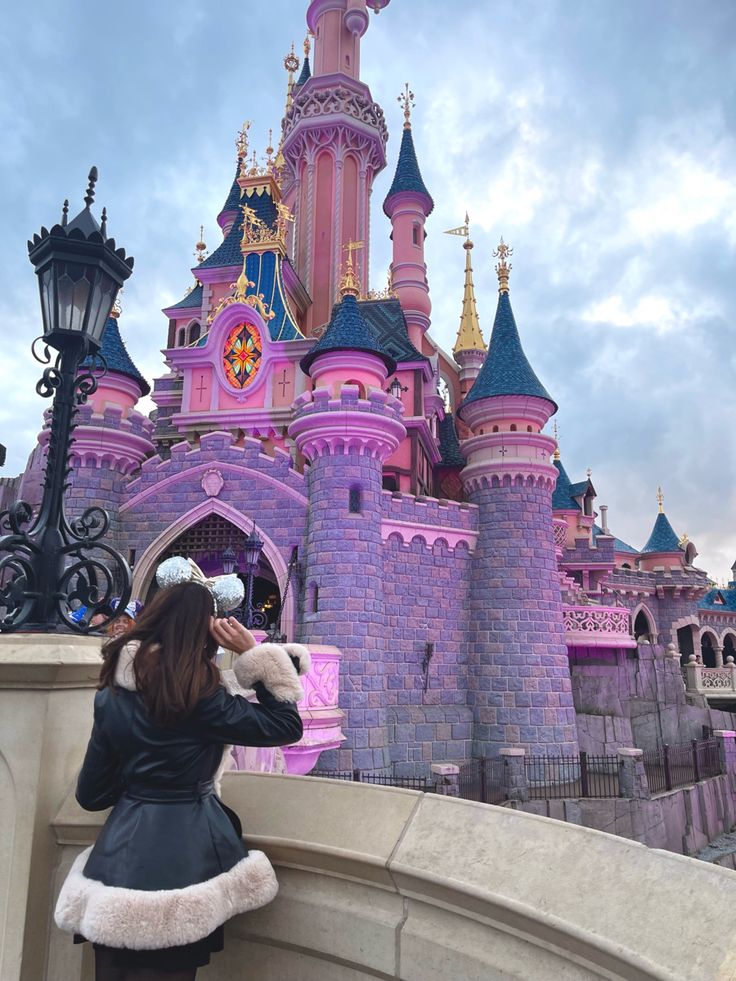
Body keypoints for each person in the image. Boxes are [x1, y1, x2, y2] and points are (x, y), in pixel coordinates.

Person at [54, 577, 308, 980]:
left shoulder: (110, 696)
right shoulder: (200, 695)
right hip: (185, 862)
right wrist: (255, 655)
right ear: (203, 635)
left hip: (116, 862)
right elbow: (284, 724)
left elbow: (91, 794)